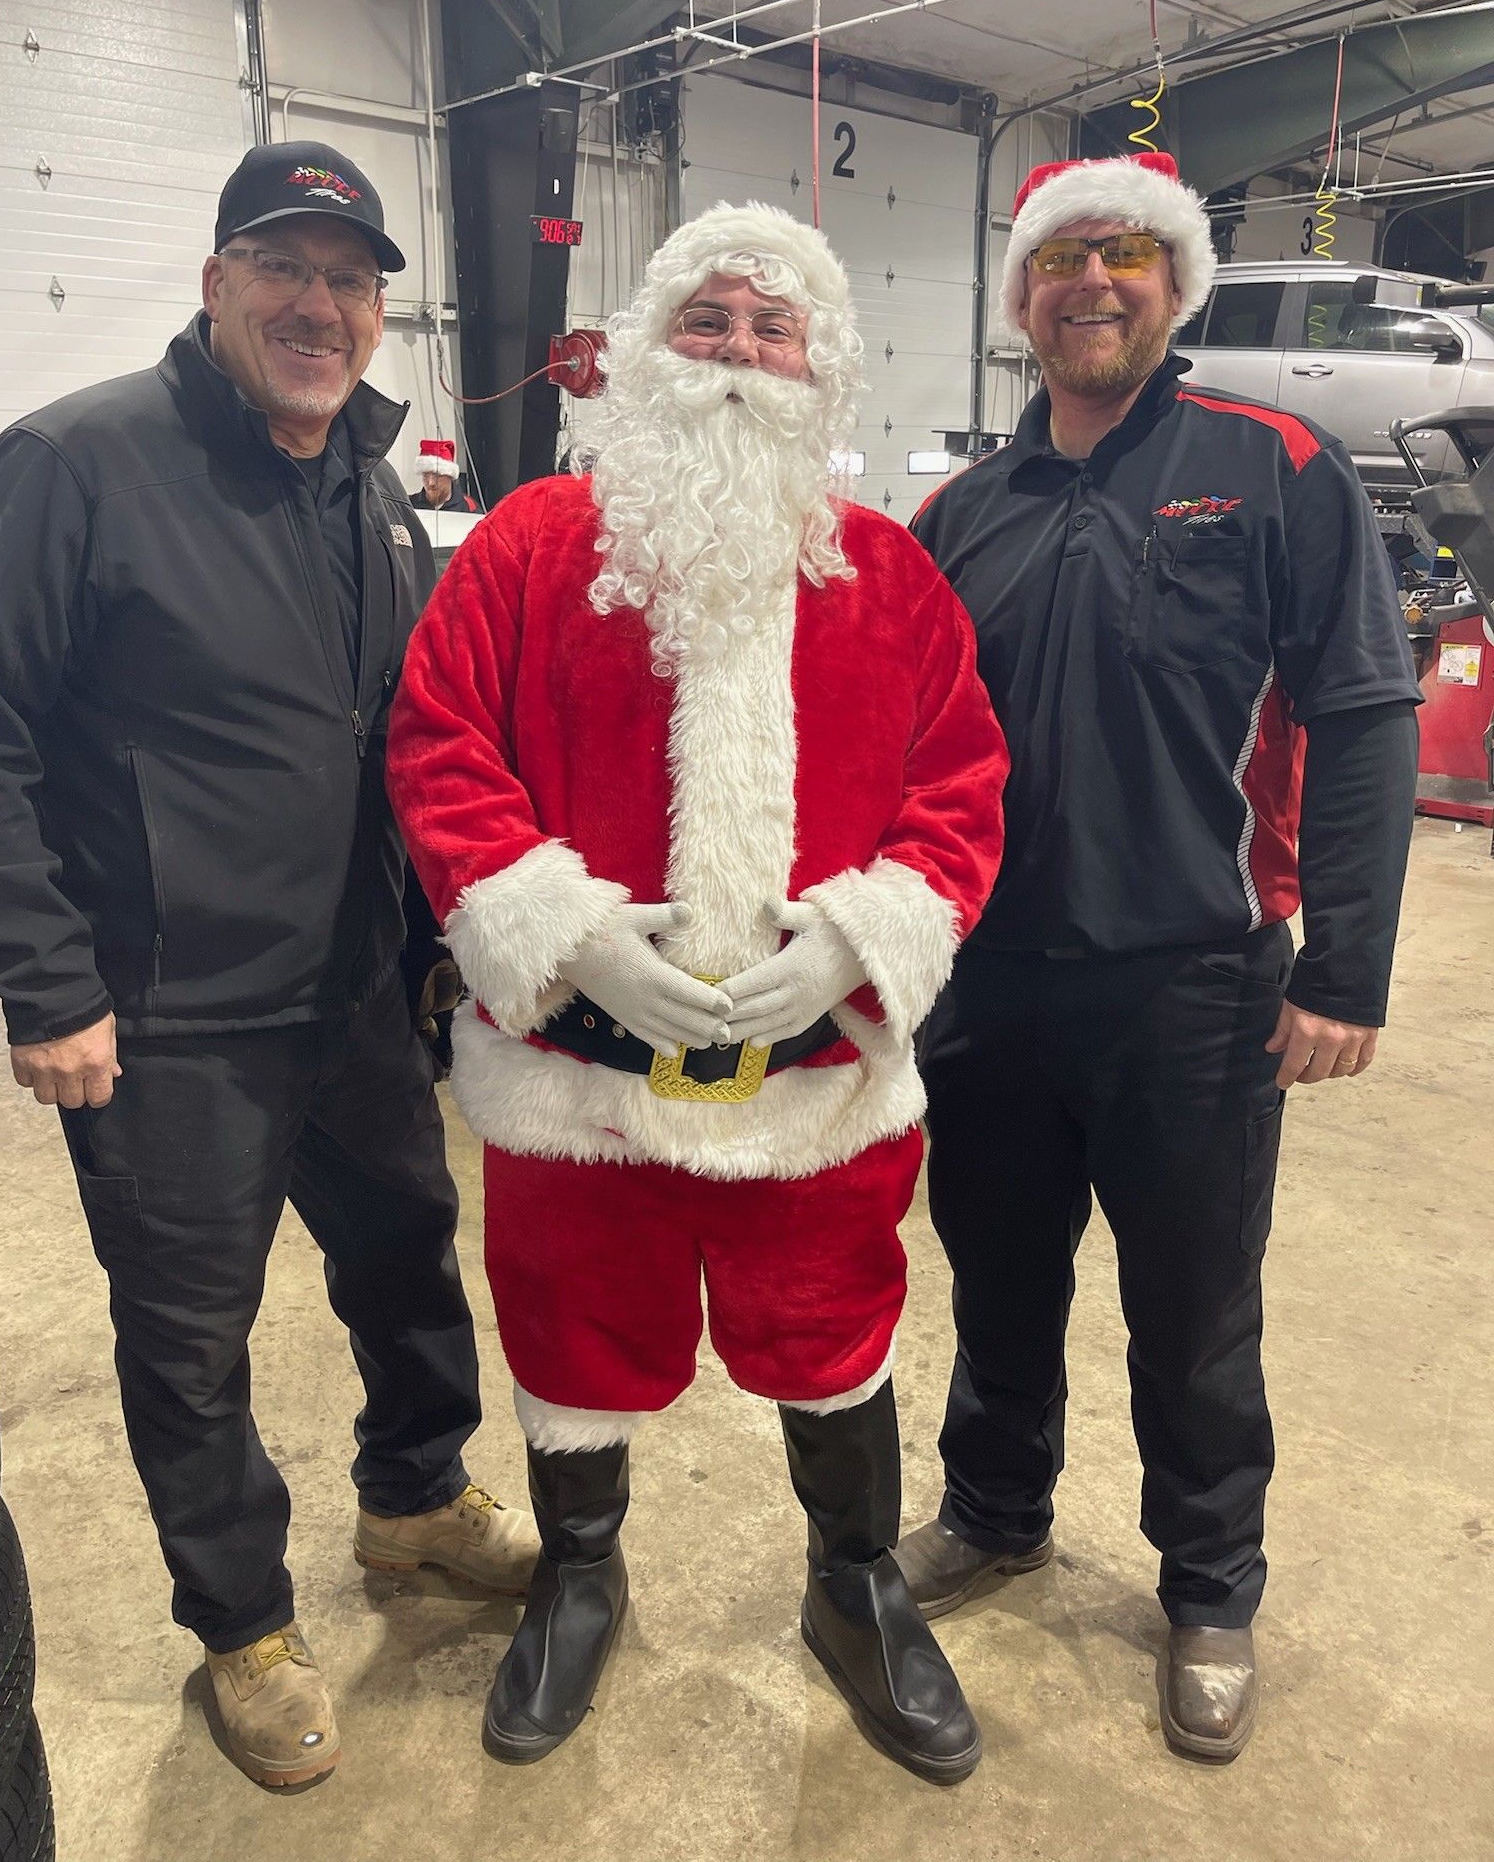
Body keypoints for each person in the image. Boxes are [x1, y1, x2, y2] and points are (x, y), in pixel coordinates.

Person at [386, 201, 1010, 1782]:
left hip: (815, 1082)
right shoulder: (528, 547)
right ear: (645, 351)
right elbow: (441, 744)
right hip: (578, 1079)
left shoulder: (888, 573)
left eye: (771, 326)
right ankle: (580, 1578)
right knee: (568, 1333)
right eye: (706, 320)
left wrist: (861, 943)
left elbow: (960, 784)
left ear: (818, 365)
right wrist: (567, 935)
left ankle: (854, 1583)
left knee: (836, 1330)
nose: (737, 352)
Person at [0, 140, 536, 1790]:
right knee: (190, 1336)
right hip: (164, 1015)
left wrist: (434, 943)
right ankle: (243, 1622)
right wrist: (44, 978)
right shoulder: (74, 465)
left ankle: (414, 1498)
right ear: (216, 283)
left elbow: (393, 739)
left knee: (410, 1258)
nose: (317, 305)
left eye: (349, 280)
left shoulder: (366, 482)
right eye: (283, 267)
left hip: (350, 991)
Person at [901, 151, 1422, 1763]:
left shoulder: (1273, 469)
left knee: (1193, 1314)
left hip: (1192, 985)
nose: (1091, 284)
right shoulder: (960, 514)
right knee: (997, 1280)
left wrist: (1344, 970)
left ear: (1174, 284)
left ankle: (1208, 1583)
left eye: (1124, 253)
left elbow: (1364, 714)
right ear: (1020, 299)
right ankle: (995, 1512)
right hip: (988, 985)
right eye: (1059, 259)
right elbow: (896, 742)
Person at [410, 436, 479, 514]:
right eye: (426, 476)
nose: (431, 483)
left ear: (450, 476)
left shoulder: (469, 507)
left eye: (437, 476)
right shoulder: (410, 505)